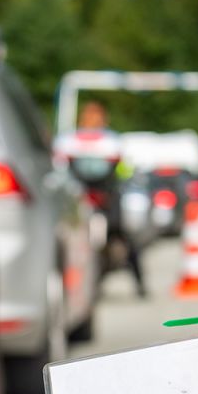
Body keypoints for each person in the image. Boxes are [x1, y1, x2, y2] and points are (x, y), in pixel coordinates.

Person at [57, 101, 146, 297]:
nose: (93, 121)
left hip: (108, 198)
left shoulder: (111, 140)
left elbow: (125, 168)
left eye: (96, 117)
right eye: (89, 116)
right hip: (78, 198)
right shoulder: (69, 140)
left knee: (124, 237)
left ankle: (140, 284)